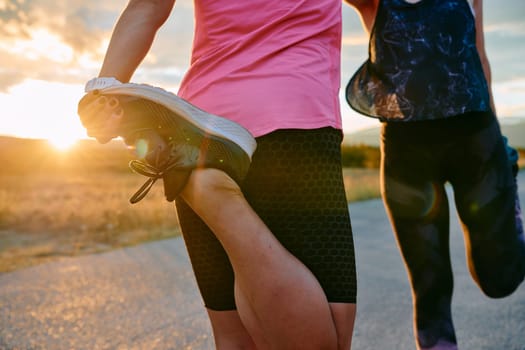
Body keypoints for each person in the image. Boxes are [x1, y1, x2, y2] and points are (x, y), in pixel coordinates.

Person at [77, 0, 357, 349]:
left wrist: (104, 92)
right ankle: (214, 195)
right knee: (328, 336)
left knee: (232, 333)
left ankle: (204, 185)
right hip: (293, 115)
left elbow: (146, 7)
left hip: (198, 129)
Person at [344, 0, 525, 349]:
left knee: (499, 278)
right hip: (407, 155)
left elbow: (478, 55)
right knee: (431, 288)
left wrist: (497, 142)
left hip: (476, 142)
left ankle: (508, 188)